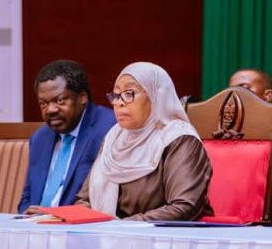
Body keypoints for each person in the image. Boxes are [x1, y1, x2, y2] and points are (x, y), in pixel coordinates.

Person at [76, 62, 213, 220]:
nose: (118, 103)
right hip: (110, 232)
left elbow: (184, 206)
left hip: (161, 234)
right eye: (116, 95)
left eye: (129, 93)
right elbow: (85, 200)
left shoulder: (178, 139)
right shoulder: (114, 138)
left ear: (156, 96)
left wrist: (119, 227)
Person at [19, 60, 116, 213]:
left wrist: (54, 215)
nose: (50, 110)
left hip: (80, 225)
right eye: (43, 104)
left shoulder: (110, 130)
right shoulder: (39, 139)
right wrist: (27, 216)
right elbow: (27, 198)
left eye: (60, 100)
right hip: (36, 224)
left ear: (82, 97)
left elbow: (105, 200)